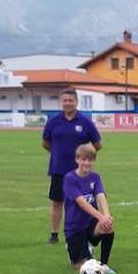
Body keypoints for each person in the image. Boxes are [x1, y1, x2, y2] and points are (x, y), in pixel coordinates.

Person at [42, 88, 101, 245]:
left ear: (76, 102)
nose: (68, 103)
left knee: (82, 202)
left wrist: (85, 158)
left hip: (80, 172)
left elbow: (97, 144)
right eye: (65, 100)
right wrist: (58, 154)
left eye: (71, 100)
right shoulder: (53, 122)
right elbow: (45, 143)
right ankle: (54, 234)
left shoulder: (85, 122)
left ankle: (81, 232)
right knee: (57, 201)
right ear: (62, 102)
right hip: (58, 169)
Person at [61, 144, 115, 274]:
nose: (86, 163)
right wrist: (101, 217)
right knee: (82, 267)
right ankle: (74, 248)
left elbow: (101, 195)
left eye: (90, 160)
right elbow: (81, 202)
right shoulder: (70, 178)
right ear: (77, 160)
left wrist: (106, 217)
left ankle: (104, 264)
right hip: (75, 227)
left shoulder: (95, 177)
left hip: (91, 224)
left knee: (108, 227)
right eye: (83, 159)